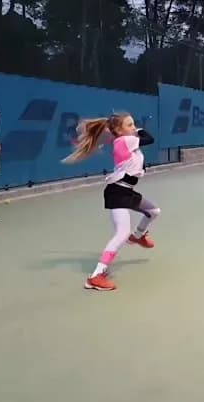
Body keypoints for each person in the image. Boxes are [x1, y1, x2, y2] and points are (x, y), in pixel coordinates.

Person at [63, 112, 161, 291]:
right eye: (130, 125)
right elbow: (149, 138)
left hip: (127, 191)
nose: (134, 128)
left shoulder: (124, 141)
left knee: (154, 211)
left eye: (134, 124)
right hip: (118, 192)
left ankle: (137, 236)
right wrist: (137, 131)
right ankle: (95, 277)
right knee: (121, 234)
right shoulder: (126, 140)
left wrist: (127, 131)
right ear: (118, 130)